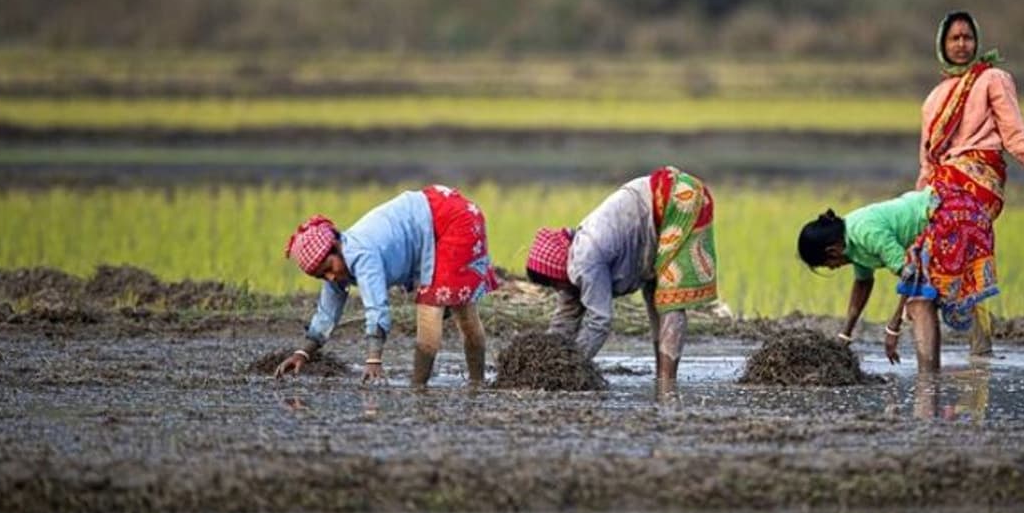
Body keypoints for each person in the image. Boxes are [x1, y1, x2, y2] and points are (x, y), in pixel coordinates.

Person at [918, 10, 1024, 355]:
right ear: (943, 45)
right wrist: (917, 205)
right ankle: (959, 345)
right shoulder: (935, 98)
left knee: (955, 224)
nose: (962, 44)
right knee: (922, 251)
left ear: (976, 41)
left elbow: (1014, 130)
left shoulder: (993, 78)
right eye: (955, 38)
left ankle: (974, 341)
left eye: (967, 37)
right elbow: (927, 161)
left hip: (981, 178)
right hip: (944, 180)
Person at [274, 185, 500, 386]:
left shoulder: (362, 254)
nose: (330, 277)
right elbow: (327, 313)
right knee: (462, 311)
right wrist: (302, 353)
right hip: (440, 210)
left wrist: (374, 359)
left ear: (335, 245)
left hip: (453, 219)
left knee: (431, 309)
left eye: (328, 268)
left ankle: (420, 388)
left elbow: (377, 309)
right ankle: (476, 384)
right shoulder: (338, 267)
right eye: (321, 276)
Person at [525, 166, 717, 391]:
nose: (558, 289)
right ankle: (662, 380)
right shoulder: (571, 268)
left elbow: (600, 321)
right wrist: (545, 358)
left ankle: (666, 386)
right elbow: (564, 321)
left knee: (670, 299)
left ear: (557, 272)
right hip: (648, 217)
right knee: (654, 295)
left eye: (554, 284)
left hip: (676, 200)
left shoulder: (585, 260)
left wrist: (570, 366)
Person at [797, 183, 997, 372]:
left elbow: (912, 276)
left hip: (950, 214)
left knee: (920, 303)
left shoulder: (866, 232)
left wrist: (893, 328)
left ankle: (930, 378)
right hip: (943, 217)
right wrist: (845, 335)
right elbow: (863, 283)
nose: (833, 269)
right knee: (926, 299)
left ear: (832, 251)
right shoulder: (849, 242)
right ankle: (966, 360)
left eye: (827, 265)